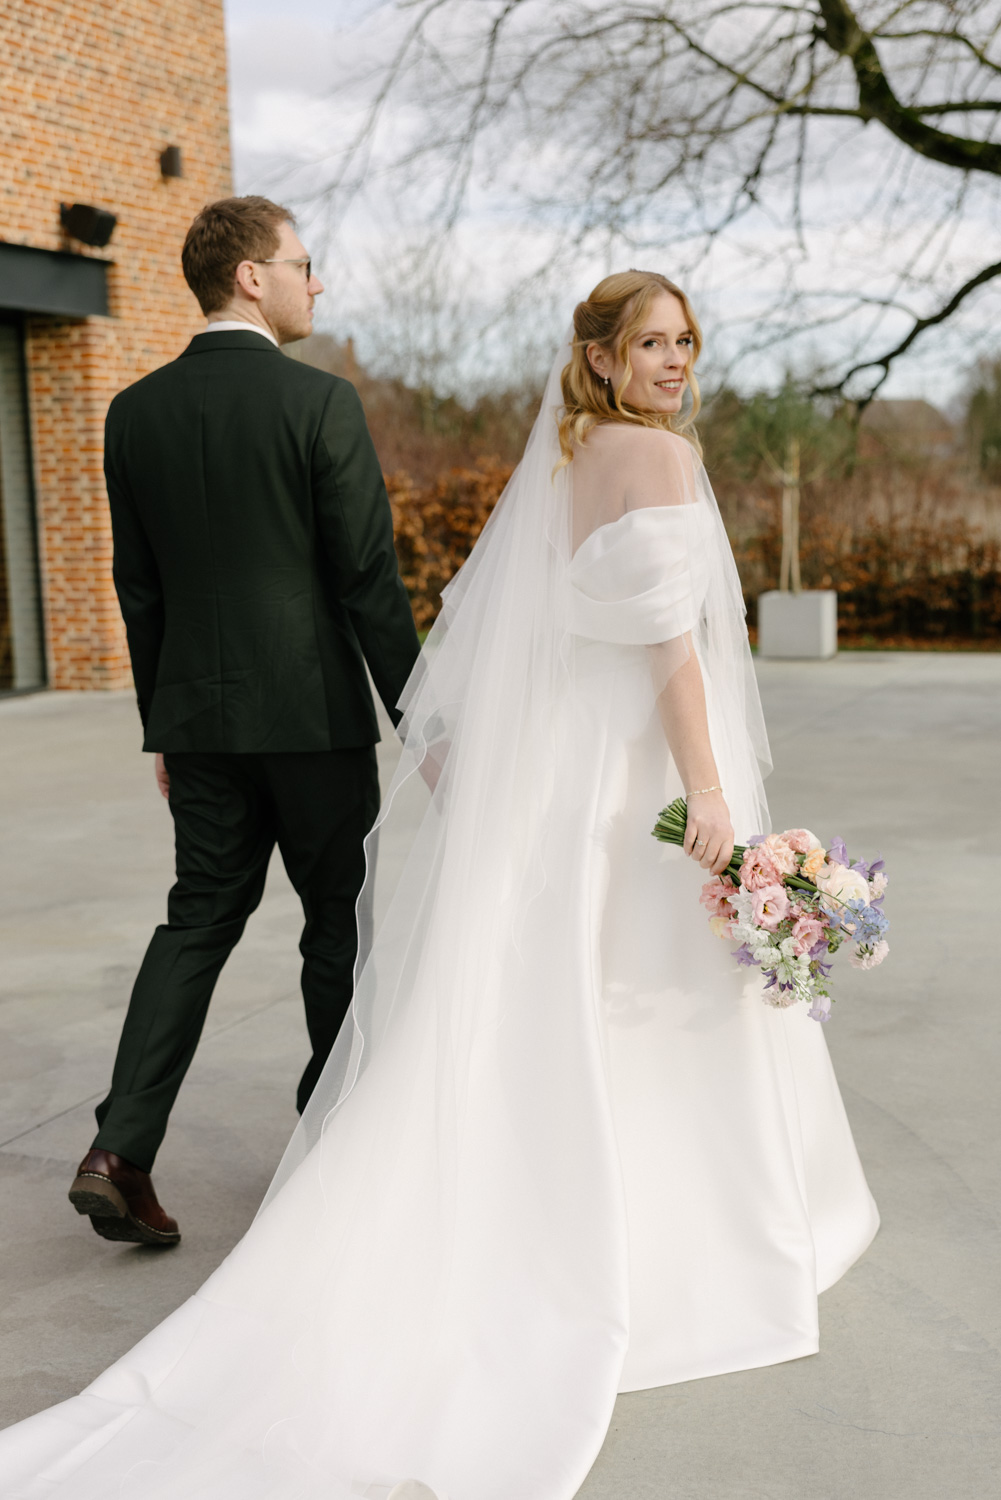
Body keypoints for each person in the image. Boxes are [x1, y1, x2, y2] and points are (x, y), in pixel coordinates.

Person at [0, 272, 878, 1500]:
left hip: (558, 770)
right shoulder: (659, 457)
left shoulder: (566, 461)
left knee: (536, 979)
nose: (675, 361)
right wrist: (710, 794)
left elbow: (521, 624)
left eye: (684, 341)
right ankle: (673, 1235)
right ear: (600, 356)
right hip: (634, 768)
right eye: (650, 343)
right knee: (635, 981)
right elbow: (671, 648)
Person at [67, 196, 421, 1247]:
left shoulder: (133, 412)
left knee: (197, 920)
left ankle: (117, 1151)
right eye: (304, 264)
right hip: (313, 721)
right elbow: (367, 579)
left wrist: (165, 728)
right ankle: (332, 1139)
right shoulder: (320, 403)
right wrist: (422, 717)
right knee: (334, 920)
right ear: (250, 277)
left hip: (201, 723)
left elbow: (139, 589)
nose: (318, 282)